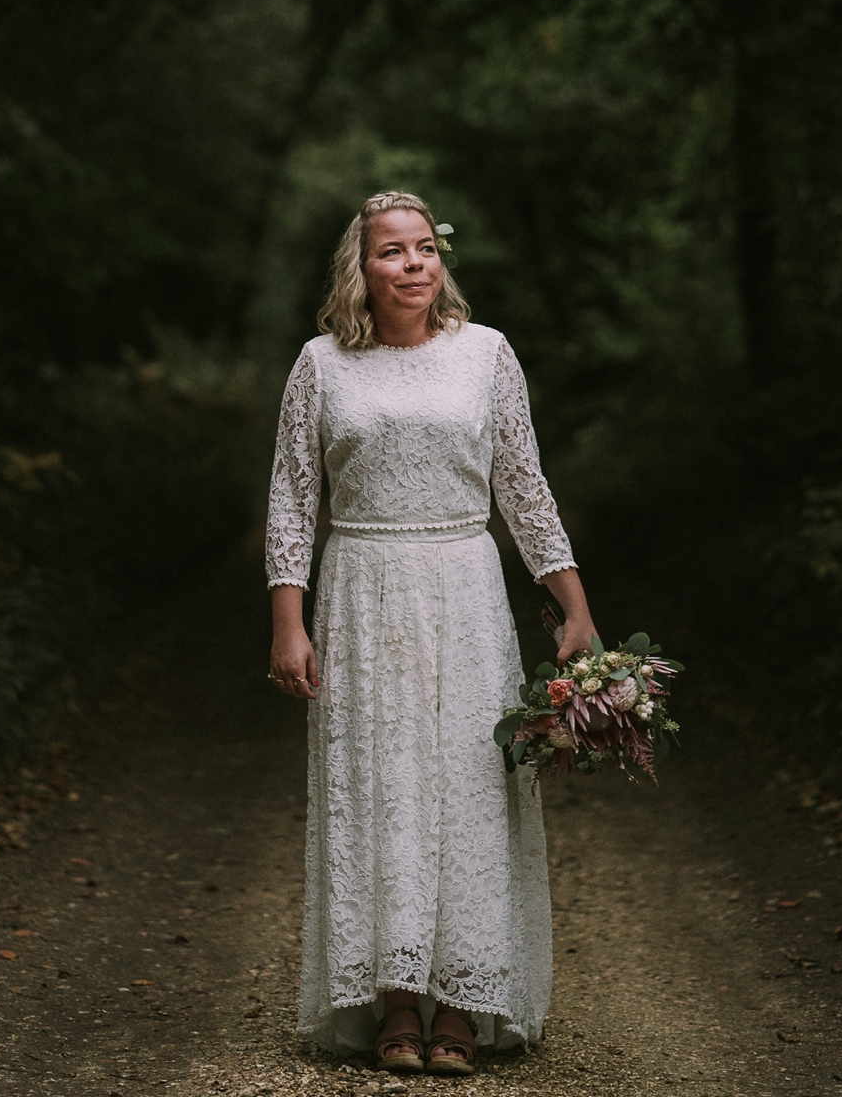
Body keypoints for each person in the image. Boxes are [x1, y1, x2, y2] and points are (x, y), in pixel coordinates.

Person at [265, 191, 597, 1076]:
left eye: (424, 249)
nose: (413, 264)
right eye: (391, 252)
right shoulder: (321, 365)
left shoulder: (486, 354)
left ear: (440, 261)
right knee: (381, 786)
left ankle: (461, 1004)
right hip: (363, 592)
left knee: (467, 785)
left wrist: (575, 606)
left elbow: (524, 488)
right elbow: (294, 501)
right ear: (360, 270)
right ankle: (394, 1002)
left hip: (464, 587)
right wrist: (287, 625)